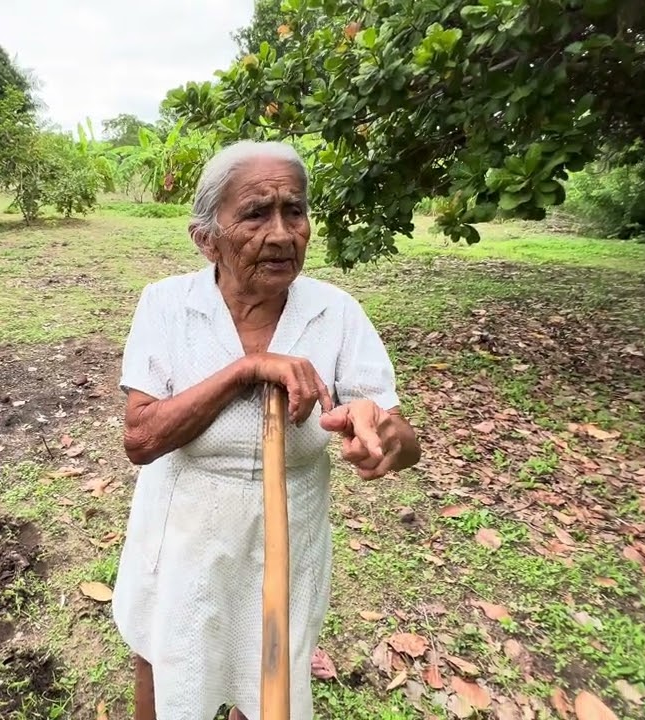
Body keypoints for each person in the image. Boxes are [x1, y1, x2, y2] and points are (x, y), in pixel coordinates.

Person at [111, 140, 422, 720]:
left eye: (294, 210)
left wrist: (381, 435)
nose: (281, 234)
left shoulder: (336, 313)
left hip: (289, 542)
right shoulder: (166, 306)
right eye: (255, 214)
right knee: (171, 663)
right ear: (206, 239)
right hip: (184, 538)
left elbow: (405, 441)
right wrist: (246, 371)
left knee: (270, 675)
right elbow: (141, 438)